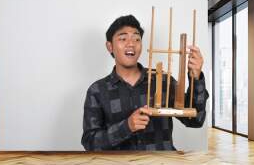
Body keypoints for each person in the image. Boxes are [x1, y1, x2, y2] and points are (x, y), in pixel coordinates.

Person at [81, 15, 209, 151]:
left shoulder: (162, 80)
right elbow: (90, 143)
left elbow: (196, 120)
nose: (131, 43)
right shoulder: (97, 91)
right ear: (110, 46)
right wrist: (126, 127)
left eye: (137, 39)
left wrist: (196, 77)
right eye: (123, 38)